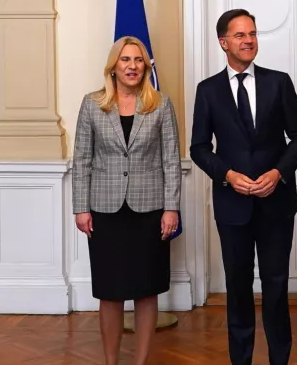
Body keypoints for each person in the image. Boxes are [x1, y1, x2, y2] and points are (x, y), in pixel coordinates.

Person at [190, 8, 297, 365]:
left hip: (276, 203)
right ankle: (240, 359)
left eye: (253, 34)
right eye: (241, 35)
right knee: (238, 288)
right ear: (223, 42)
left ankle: (279, 359)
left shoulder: (279, 82)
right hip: (232, 205)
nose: (249, 41)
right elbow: (198, 148)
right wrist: (227, 175)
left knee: (276, 287)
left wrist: (279, 173)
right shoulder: (208, 90)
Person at [71, 36, 182, 365]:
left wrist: (171, 208)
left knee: (147, 290)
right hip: (105, 210)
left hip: (150, 210)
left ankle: (141, 361)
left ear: (146, 67)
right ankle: (111, 361)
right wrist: (80, 207)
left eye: (138, 60)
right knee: (110, 291)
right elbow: (82, 160)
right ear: (113, 67)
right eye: (125, 60)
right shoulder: (92, 104)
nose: (132, 66)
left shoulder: (161, 103)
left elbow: (171, 161)